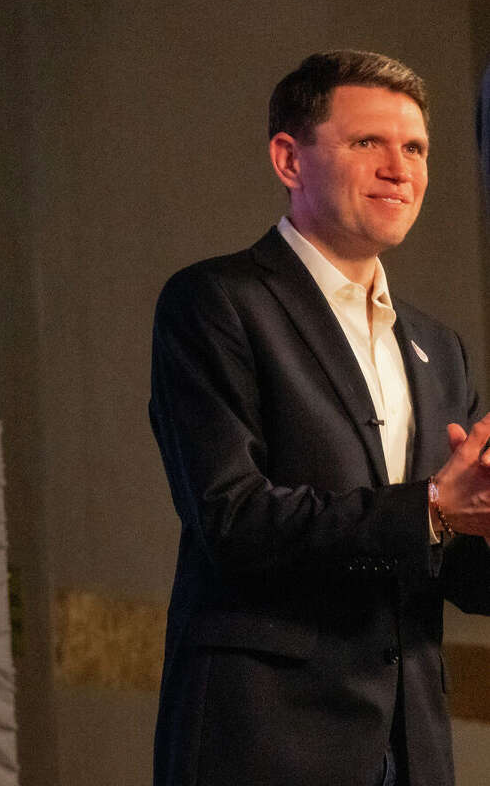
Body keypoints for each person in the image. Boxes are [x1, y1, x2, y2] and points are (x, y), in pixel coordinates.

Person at [151, 50, 490, 786]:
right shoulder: (218, 304)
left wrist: (482, 525)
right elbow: (232, 518)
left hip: (413, 747)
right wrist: (432, 508)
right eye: (368, 142)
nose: (400, 168)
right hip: (268, 741)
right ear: (289, 159)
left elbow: (457, 565)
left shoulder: (441, 349)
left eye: (416, 148)